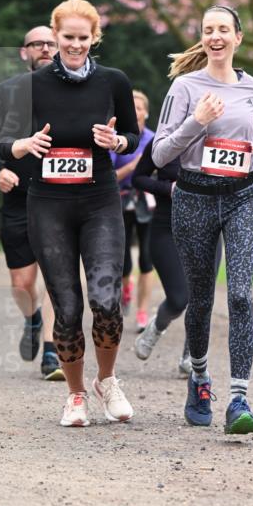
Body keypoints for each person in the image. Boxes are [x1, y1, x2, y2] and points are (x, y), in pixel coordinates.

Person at [0, 0, 139, 427]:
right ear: (55, 36)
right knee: (67, 305)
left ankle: (108, 380)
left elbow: (132, 135)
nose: (75, 45)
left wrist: (117, 144)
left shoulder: (113, 81)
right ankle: (75, 395)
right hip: (48, 205)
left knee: (106, 300)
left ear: (94, 38)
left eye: (83, 38)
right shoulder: (32, 86)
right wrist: (23, 146)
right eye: (68, 37)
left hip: (99, 201)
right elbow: (3, 140)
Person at [152, 4, 253, 435]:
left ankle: (240, 398)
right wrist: (198, 121)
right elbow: (160, 154)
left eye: (224, 29)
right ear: (203, 38)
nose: (216, 36)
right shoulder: (185, 87)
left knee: (241, 294)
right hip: (194, 198)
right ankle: (201, 379)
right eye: (209, 30)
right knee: (202, 298)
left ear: (238, 38)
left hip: (244, 196)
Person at [0, 26, 63, 380]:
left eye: (50, 43)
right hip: (18, 196)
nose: (44, 48)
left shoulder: (75, 91)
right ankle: (32, 318)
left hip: (61, 195)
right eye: (37, 44)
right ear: (23, 51)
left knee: (59, 278)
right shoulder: (7, 91)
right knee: (21, 282)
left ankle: (51, 351)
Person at [131, 138, 223, 377]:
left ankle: (191, 357)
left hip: (209, 227)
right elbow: (138, 178)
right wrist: (168, 189)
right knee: (179, 298)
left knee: (202, 298)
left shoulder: (219, 137)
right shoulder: (163, 139)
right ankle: (157, 325)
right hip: (167, 226)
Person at [110, 90, 155, 332]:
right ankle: (126, 288)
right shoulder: (116, 140)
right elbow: (111, 177)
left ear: (146, 112)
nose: (135, 111)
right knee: (124, 261)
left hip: (147, 202)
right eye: (131, 107)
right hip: (121, 200)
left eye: (139, 107)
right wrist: (135, 166)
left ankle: (142, 312)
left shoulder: (155, 138)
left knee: (147, 259)